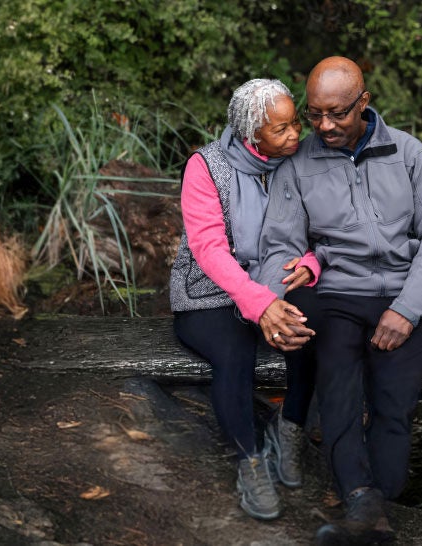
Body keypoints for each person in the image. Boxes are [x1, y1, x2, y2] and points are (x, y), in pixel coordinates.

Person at [256, 57, 422, 544]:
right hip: (337, 295)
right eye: (315, 113)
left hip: (405, 296)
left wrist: (407, 310)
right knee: (339, 387)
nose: (324, 126)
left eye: (338, 113)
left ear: (363, 103)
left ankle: (371, 509)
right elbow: (278, 245)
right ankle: (363, 500)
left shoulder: (408, 154)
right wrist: (276, 298)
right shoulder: (297, 164)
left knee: (392, 403)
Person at [169, 78, 320, 520]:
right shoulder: (206, 166)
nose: (295, 134)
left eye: (295, 123)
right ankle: (249, 461)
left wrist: (312, 261)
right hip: (210, 293)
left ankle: (289, 427)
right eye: (281, 129)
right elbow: (209, 248)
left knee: (307, 329)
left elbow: (327, 226)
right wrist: (258, 304)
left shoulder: (302, 161)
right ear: (252, 135)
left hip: (279, 280)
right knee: (235, 357)